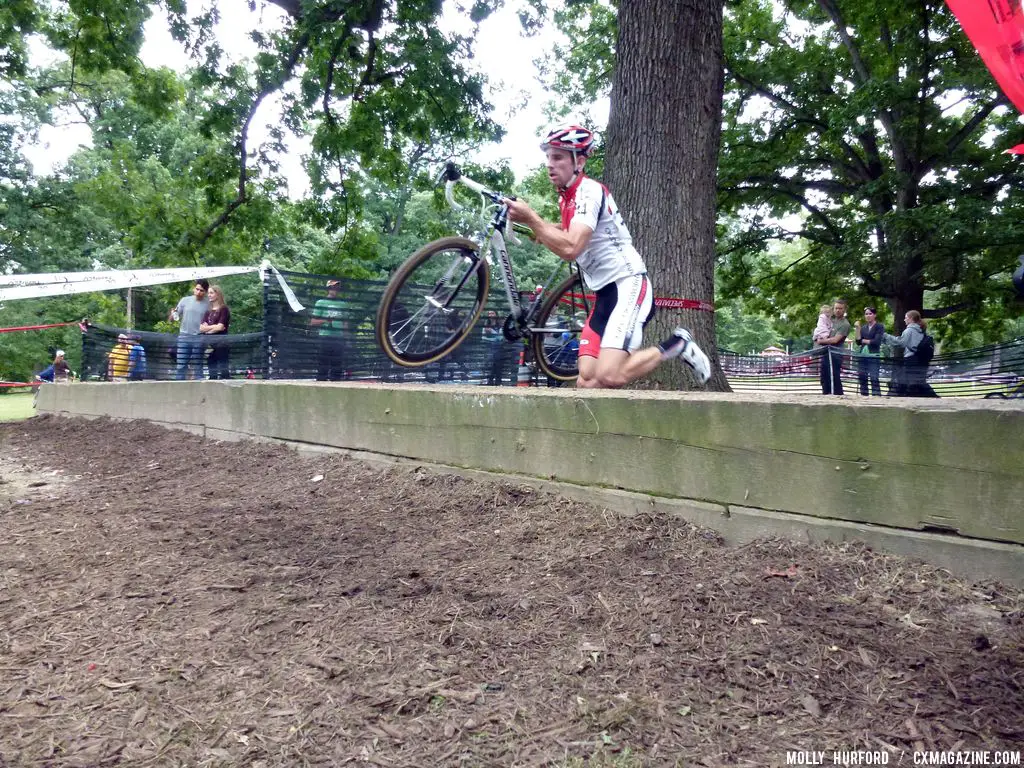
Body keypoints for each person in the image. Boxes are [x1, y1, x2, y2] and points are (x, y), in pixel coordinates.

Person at [502, 123, 711, 389]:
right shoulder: (567, 198)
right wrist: (535, 226)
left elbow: (571, 247)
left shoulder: (589, 191)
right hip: (604, 295)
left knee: (610, 375)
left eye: (557, 157)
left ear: (579, 160)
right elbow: (568, 233)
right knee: (587, 381)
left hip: (628, 284)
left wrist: (532, 218)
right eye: (548, 157)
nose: (549, 164)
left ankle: (679, 344)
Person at [884, 309, 938, 398]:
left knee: (904, 380)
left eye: (906, 318)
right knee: (916, 381)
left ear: (911, 318)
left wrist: (886, 336)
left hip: (911, 360)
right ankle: (895, 396)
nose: (904, 320)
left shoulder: (909, 330)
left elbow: (901, 343)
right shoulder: (920, 330)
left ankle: (892, 397)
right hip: (920, 360)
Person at [169, 279, 210, 380]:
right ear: (194, 288)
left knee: (198, 365)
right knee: (181, 364)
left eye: (202, 290)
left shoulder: (209, 304)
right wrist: (172, 314)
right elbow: (173, 318)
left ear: (205, 292)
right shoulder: (185, 300)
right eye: (197, 289)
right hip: (184, 336)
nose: (199, 292)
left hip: (199, 337)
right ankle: (179, 385)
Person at [311, 279, 348, 381]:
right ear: (328, 288)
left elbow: (345, 322)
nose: (335, 289)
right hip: (325, 337)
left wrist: (345, 337)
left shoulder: (343, 304)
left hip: (338, 338)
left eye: (337, 287)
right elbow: (313, 322)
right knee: (323, 363)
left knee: (337, 365)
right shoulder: (320, 303)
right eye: (333, 287)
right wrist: (325, 320)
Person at [816, 299, 850, 395]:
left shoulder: (845, 324)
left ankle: (838, 398)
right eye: (836, 308)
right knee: (824, 377)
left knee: (834, 377)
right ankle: (826, 396)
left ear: (844, 310)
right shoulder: (830, 320)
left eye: (840, 308)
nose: (838, 310)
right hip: (825, 353)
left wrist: (821, 341)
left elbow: (835, 340)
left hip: (836, 355)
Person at [200, 284, 232, 380]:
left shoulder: (224, 309)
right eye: (208, 293)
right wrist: (213, 328)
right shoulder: (208, 311)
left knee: (223, 370)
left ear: (217, 294)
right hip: (211, 344)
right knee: (211, 361)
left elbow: (221, 327)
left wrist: (209, 329)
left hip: (221, 343)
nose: (209, 295)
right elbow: (201, 328)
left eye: (211, 293)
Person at [854, 306, 885, 396]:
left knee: (874, 378)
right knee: (862, 377)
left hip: (873, 355)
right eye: (866, 314)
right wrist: (858, 329)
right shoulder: (863, 328)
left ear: (874, 315)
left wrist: (864, 340)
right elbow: (858, 341)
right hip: (863, 355)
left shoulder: (879, 326)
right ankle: (864, 396)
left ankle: (876, 397)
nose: (868, 316)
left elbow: (876, 342)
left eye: (870, 314)